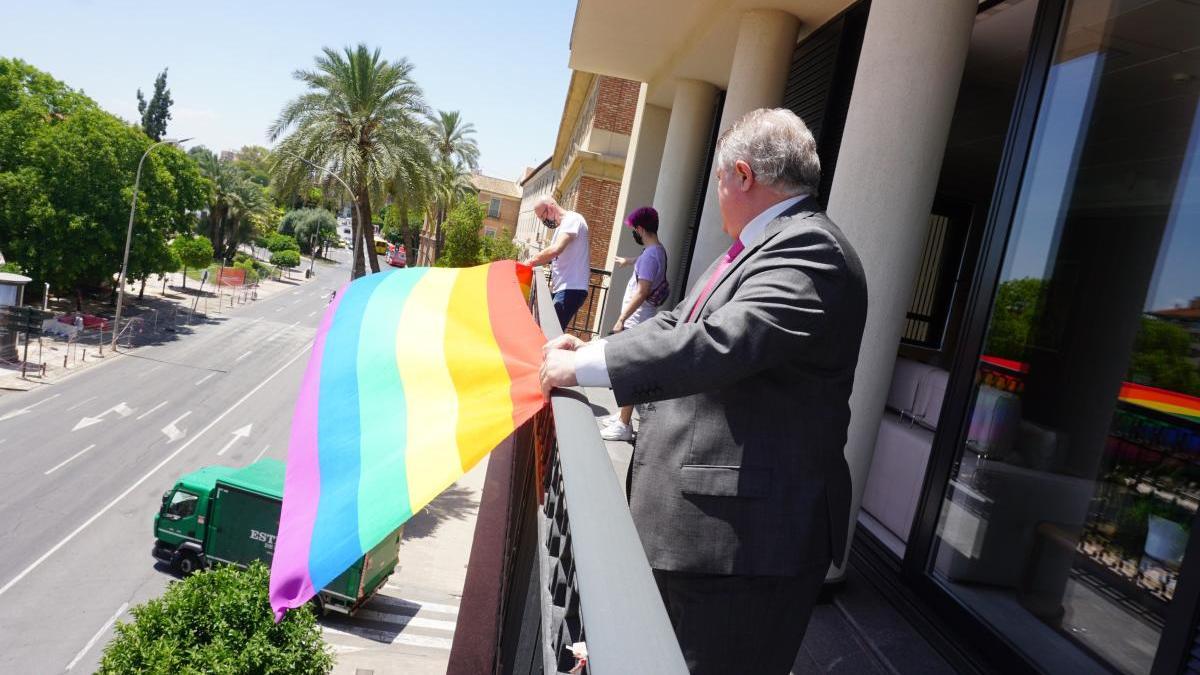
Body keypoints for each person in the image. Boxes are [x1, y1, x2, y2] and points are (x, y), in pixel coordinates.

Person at [539, 108, 868, 674]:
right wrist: (589, 353)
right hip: (703, 541)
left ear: (743, 176)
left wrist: (582, 373)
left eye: (718, 180)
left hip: (740, 553)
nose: (715, 194)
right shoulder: (756, 246)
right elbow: (680, 322)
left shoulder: (813, 252)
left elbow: (719, 342)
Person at [600, 206, 668, 443]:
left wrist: (621, 320)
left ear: (640, 229)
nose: (634, 233)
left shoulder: (650, 256)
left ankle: (623, 425)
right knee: (628, 371)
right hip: (641, 319)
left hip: (636, 321)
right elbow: (642, 262)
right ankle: (623, 415)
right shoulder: (657, 251)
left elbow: (642, 291)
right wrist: (627, 261)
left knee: (628, 372)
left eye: (634, 230)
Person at [526, 197, 590, 330]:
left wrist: (531, 262)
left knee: (548, 333)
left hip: (571, 287)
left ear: (550, 208)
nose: (544, 222)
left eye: (542, 218)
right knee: (549, 331)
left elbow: (556, 249)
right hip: (563, 288)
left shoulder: (572, 219)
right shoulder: (561, 227)